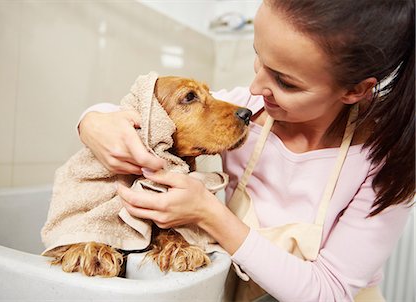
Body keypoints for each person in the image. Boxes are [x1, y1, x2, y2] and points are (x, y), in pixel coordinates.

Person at [77, 0, 414, 301]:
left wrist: (208, 213)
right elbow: (153, 112)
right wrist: (94, 120)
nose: (255, 87)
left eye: (285, 82)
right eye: (258, 55)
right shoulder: (245, 111)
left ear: (355, 89)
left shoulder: (389, 161)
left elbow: (328, 291)